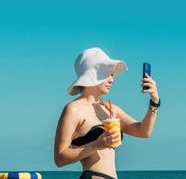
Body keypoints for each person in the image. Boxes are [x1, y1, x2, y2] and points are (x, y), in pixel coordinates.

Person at [54, 47, 161, 179]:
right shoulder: (73, 109)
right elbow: (60, 158)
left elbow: (143, 131)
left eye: (112, 75)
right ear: (92, 74)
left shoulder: (110, 109)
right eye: (107, 74)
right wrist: (96, 145)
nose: (112, 80)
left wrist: (154, 101)